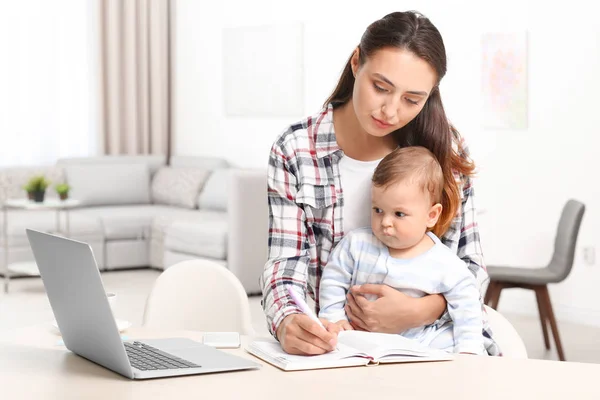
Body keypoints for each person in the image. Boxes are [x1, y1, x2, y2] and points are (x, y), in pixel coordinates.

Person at [261, 10, 500, 356]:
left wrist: (420, 310)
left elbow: (470, 266)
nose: (390, 111)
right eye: (380, 87)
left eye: (412, 99)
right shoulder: (297, 149)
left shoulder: (446, 150)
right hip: (334, 349)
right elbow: (285, 266)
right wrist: (289, 319)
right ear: (357, 62)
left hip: (436, 347)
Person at [319, 146, 484, 355]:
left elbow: (467, 305)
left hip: (420, 341)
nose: (385, 223)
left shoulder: (444, 262)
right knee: (334, 345)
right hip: (361, 339)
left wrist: (468, 350)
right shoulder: (356, 244)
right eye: (378, 210)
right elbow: (333, 279)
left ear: (431, 215)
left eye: (399, 214)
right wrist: (334, 318)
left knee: (448, 342)